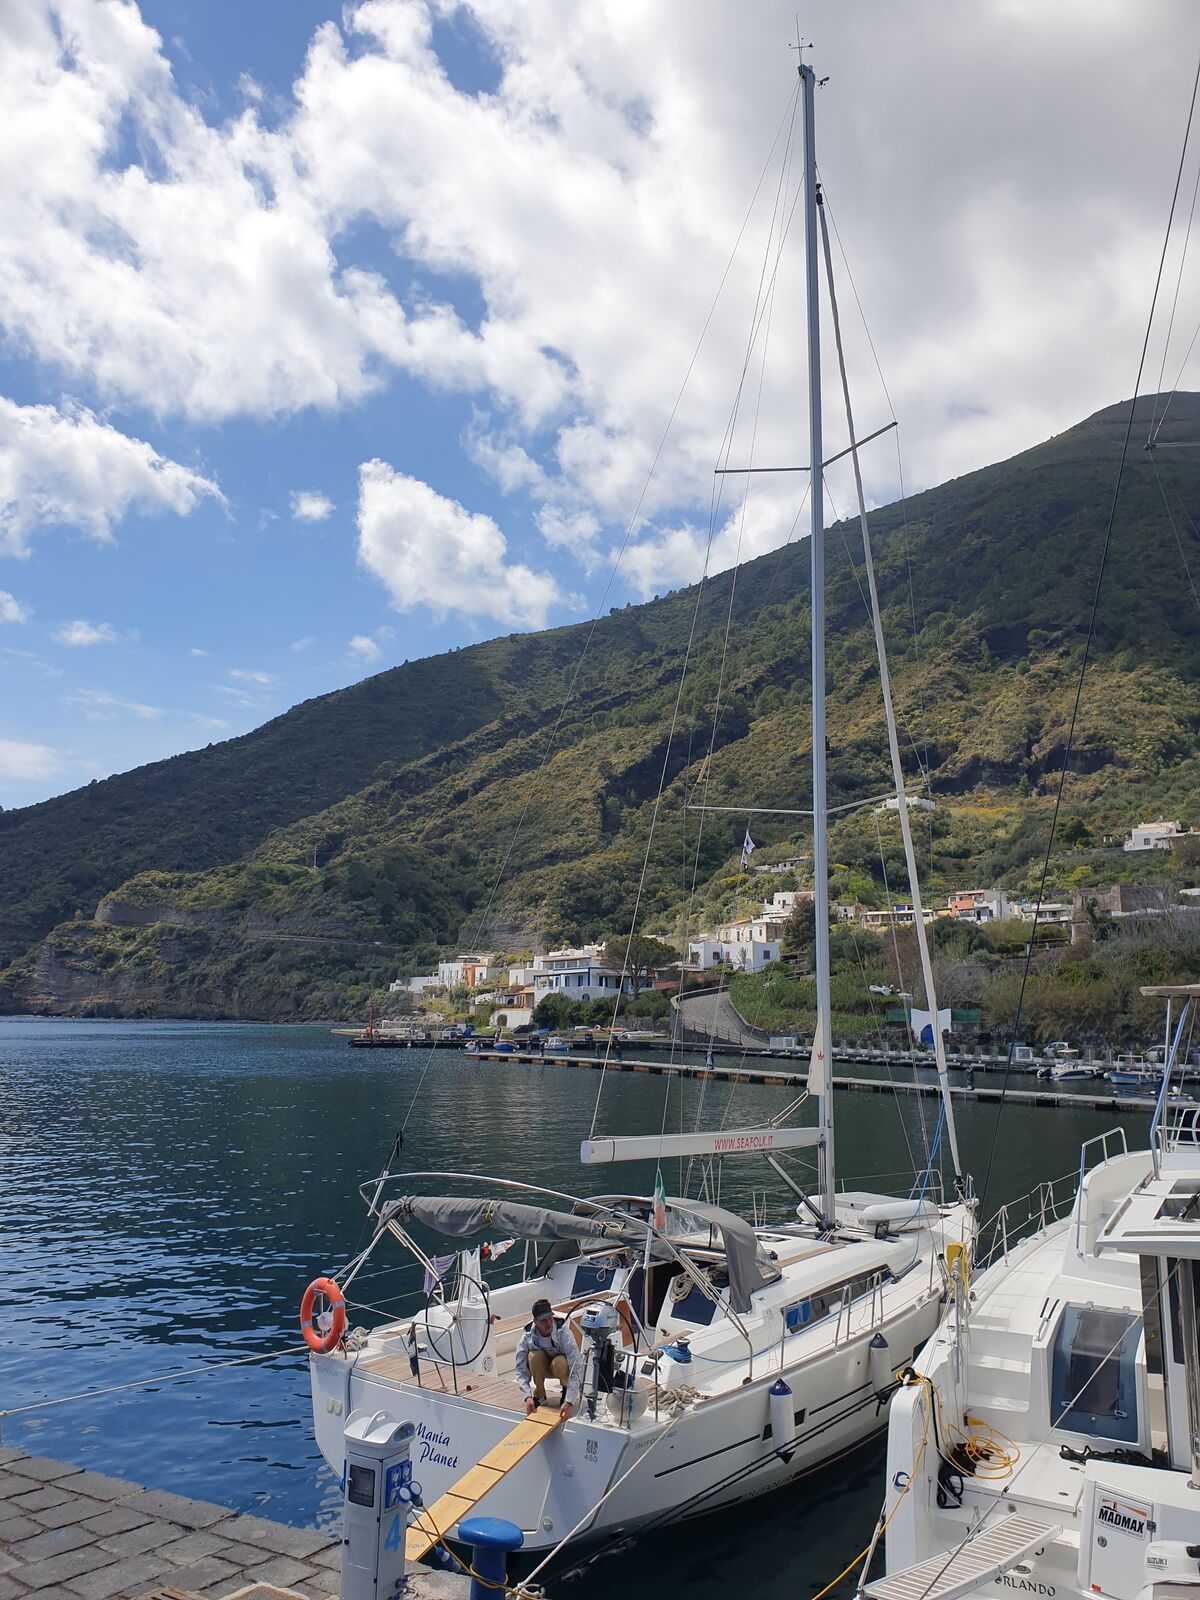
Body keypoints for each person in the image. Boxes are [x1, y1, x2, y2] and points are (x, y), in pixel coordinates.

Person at [514, 1297, 581, 1420]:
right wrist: (527, 1397)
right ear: (535, 1321)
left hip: (560, 1368)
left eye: (550, 1318)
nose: (548, 1323)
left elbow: (576, 1367)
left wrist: (570, 1401)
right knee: (533, 1356)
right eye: (543, 1321)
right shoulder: (527, 1336)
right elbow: (520, 1369)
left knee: (560, 1362)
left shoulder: (564, 1334)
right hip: (543, 1368)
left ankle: (565, 1390)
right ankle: (540, 1395)